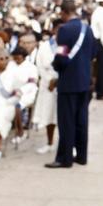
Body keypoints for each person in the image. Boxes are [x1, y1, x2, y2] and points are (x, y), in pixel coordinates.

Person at [45, 0, 95, 168]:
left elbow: (61, 56)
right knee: (82, 120)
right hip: (84, 81)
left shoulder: (65, 30)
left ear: (63, 12)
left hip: (68, 82)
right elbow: (93, 53)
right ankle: (81, 156)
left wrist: (55, 66)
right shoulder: (87, 28)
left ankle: (64, 158)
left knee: (66, 121)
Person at [34, 21, 59, 153]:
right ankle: (49, 143)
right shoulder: (44, 46)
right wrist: (49, 80)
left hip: (61, 84)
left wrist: (57, 80)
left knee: (63, 116)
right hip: (47, 84)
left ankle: (68, 145)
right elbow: (39, 65)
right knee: (49, 115)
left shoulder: (65, 45)